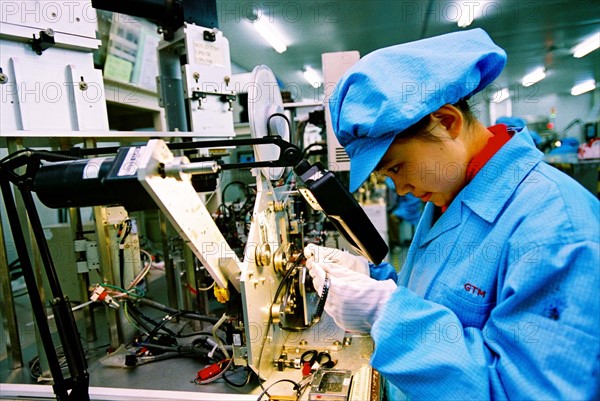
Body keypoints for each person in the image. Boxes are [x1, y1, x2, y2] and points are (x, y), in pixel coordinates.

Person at [304, 28, 600, 400]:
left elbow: (521, 391)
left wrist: (384, 312)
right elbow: (442, 304)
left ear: (446, 122)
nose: (400, 189)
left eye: (397, 168)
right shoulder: (450, 196)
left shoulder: (556, 228)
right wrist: (375, 280)